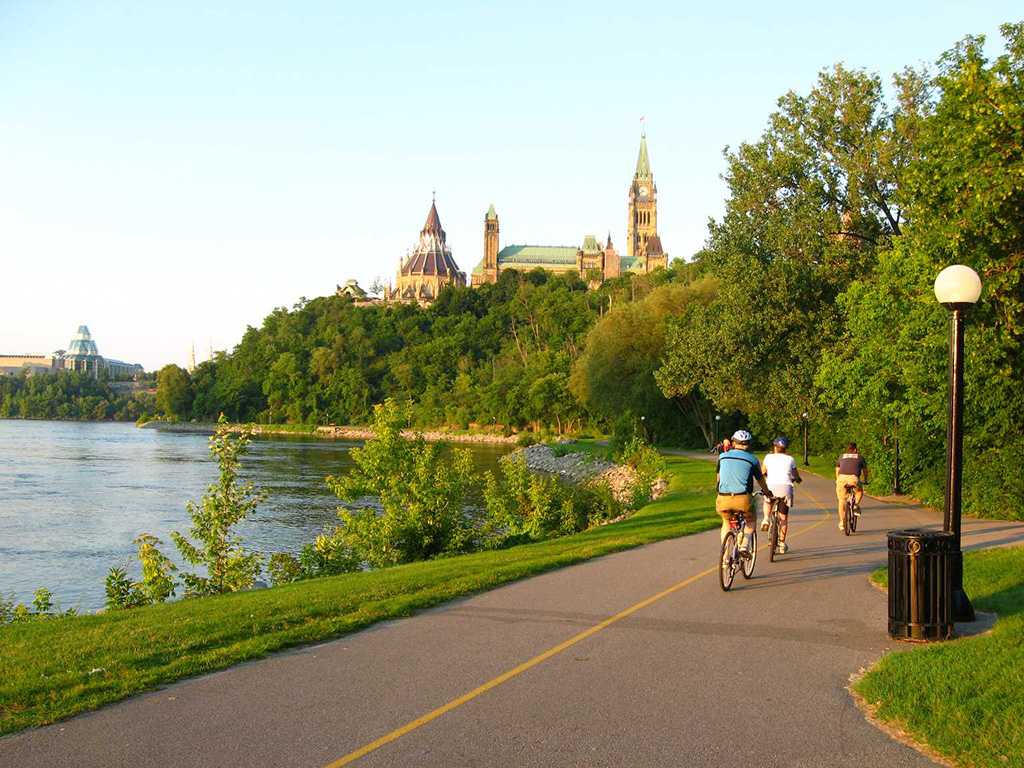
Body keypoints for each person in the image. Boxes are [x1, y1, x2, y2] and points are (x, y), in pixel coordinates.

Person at [716, 430, 772, 557]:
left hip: (723, 498)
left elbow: (719, 477)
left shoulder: (722, 457)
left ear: (733, 443)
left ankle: (725, 555)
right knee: (751, 520)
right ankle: (744, 546)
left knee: (726, 521)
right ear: (748, 445)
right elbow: (760, 479)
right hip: (743, 498)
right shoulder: (752, 460)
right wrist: (767, 492)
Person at [760, 437, 802, 554]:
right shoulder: (790, 459)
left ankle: (766, 519)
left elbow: (763, 471)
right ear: (786, 449)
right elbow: (795, 474)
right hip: (785, 487)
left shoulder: (768, 457)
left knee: (768, 501)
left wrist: (765, 477)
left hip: (771, 486)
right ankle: (782, 543)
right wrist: (797, 478)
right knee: (783, 517)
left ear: (774, 448)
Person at [835, 442, 869, 531]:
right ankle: (856, 505)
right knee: (859, 491)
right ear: (855, 450)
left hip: (841, 478)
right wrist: (865, 480)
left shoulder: (841, 456)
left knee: (841, 499)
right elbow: (865, 471)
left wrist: (838, 479)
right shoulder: (860, 457)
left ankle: (842, 522)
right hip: (854, 478)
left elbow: (837, 469)